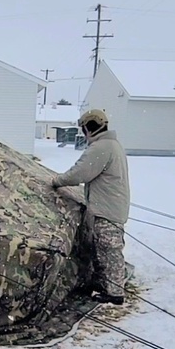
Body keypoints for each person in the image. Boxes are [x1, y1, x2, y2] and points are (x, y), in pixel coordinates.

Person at [51, 109, 130, 305]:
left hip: (107, 209)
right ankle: (105, 284)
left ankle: (114, 292)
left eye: (83, 128)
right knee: (103, 249)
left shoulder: (101, 148)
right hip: (111, 205)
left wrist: (56, 181)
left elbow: (80, 173)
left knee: (109, 249)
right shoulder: (112, 145)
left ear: (89, 127)